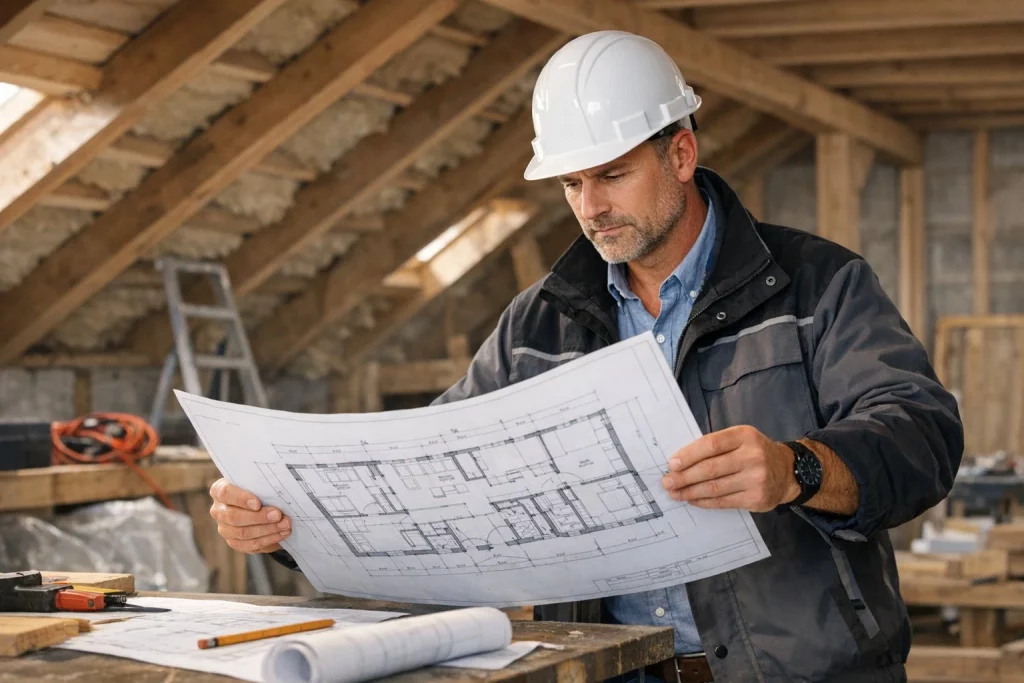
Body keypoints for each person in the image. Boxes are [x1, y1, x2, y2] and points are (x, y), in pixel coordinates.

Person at [208, 30, 963, 683]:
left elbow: (922, 433)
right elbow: (425, 482)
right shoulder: (538, 323)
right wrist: (286, 523)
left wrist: (796, 468)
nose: (590, 206)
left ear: (681, 153)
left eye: (610, 174)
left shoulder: (816, 284)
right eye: (572, 182)